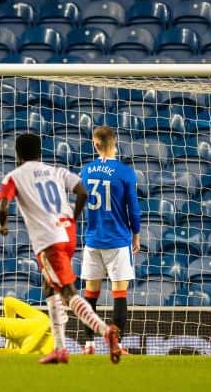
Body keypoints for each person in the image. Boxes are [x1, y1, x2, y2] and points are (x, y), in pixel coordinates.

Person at [0, 133, 122, 364]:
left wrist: (2, 225)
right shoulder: (56, 170)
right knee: (50, 289)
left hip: (49, 240)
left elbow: (3, 204)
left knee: (67, 292)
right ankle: (60, 349)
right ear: (39, 152)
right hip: (67, 234)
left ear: (18, 154)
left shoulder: (14, 176)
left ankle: (106, 331)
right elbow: (82, 191)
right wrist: (73, 218)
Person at [80, 126, 141, 355]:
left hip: (93, 240)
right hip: (117, 239)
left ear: (95, 144)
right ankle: (117, 344)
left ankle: (88, 344)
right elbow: (133, 209)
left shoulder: (85, 171)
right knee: (119, 294)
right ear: (115, 142)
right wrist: (136, 234)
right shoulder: (125, 172)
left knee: (90, 294)